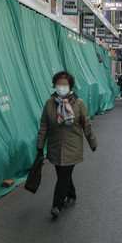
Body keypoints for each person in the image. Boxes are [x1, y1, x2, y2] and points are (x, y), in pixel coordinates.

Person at [37, 71, 97, 218]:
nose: (61, 87)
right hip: (55, 146)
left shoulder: (79, 103)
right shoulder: (49, 103)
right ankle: (72, 194)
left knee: (63, 175)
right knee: (63, 174)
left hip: (72, 146)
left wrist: (92, 142)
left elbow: (86, 124)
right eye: (59, 84)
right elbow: (44, 124)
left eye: (64, 84)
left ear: (70, 86)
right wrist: (40, 143)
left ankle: (56, 205)